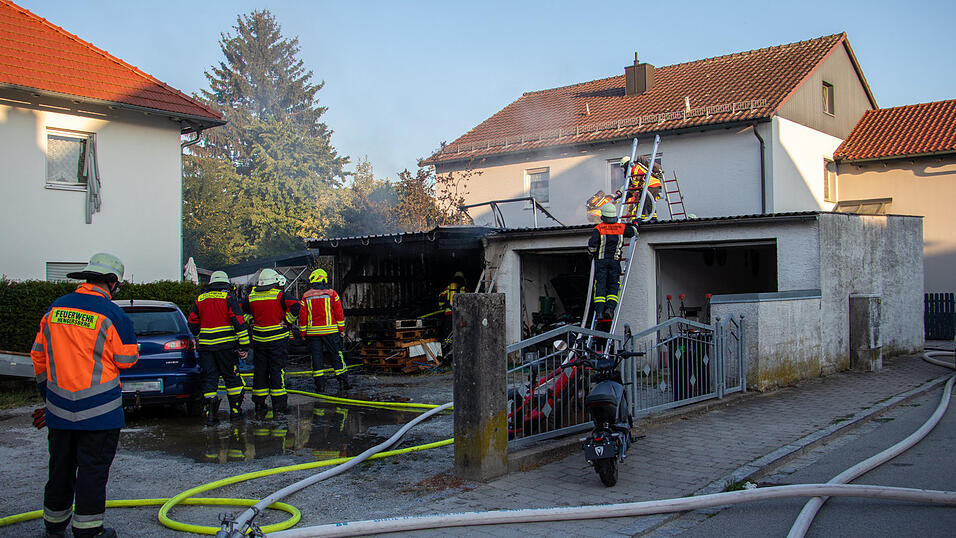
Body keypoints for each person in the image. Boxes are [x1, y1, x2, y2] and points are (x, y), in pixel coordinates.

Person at [30, 252, 138, 538]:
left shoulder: (54, 310)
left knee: (60, 469)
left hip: (60, 411)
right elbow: (127, 359)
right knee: (92, 471)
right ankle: (88, 530)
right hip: (100, 414)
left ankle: (54, 525)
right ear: (112, 283)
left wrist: (48, 396)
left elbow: (38, 357)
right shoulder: (113, 314)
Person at [187, 270, 250, 425]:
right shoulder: (228, 298)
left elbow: (192, 323)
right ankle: (235, 412)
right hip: (226, 348)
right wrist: (244, 346)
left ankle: (210, 415)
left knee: (210, 379)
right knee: (231, 378)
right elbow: (239, 323)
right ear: (226, 284)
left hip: (206, 349)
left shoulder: (200, 299)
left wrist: (200, 334)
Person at [242, 268, 300, 418]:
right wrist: (287, 321)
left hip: (259, 341)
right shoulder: (278, 295)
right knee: (276, 371)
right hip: (277, 341)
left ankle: (259, 403)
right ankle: (279, 405)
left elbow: (242, 313)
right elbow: (296, 306)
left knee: (260, 372)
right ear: (274, 282)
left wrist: (251, 321)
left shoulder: (251, 297)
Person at [299, 269, 349, 392]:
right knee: (336, 355)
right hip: (331, 331)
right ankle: (342, 382)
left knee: (316, 358)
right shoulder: (332, 294)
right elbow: (339, 313)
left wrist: (302, 333)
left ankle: (320, 385)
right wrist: (341, 329)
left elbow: (303, 316)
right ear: (324, 279)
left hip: (313, 333)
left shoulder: (306, 296)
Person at [587, 203, 637, 320]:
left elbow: (592, 245)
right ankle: (610, 309)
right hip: (615, 262)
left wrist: (591, 255)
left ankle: (599, 312)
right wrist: (635, 223)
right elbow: (633, 231)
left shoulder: (598, 229)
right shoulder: (621, 227)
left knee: (600, 285)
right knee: (614, 285)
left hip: (601, 262)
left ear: (603, 216)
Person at [438, 271, 469, 339]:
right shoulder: (464, 289)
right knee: (460, 332)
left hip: (449, 314)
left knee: (448, 332)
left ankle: (449, 345)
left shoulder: (448, 288)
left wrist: (443, 306)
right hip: (460, 315)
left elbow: (440, 299)